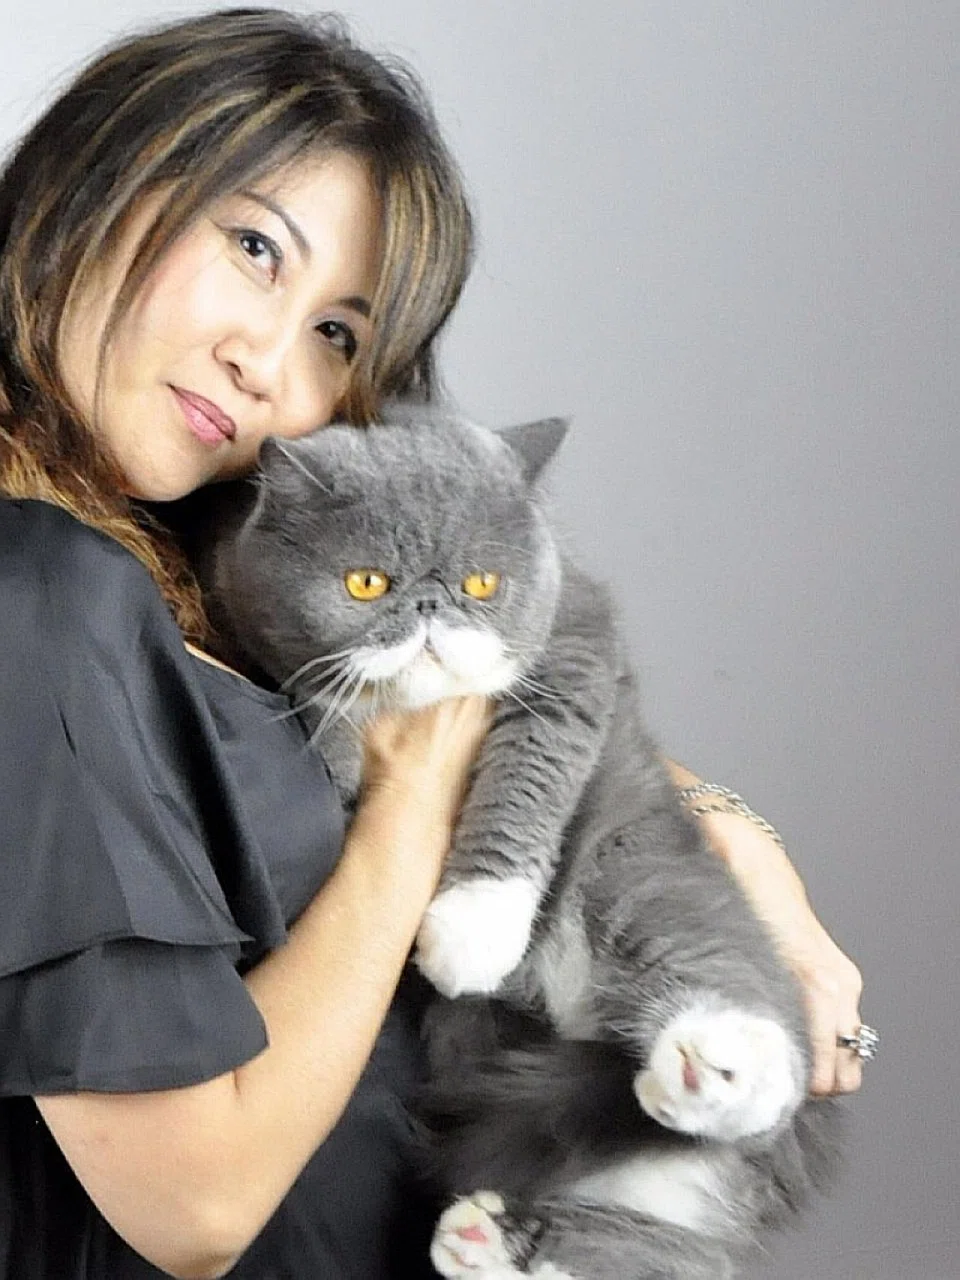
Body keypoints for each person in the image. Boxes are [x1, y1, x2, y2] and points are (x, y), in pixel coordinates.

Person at [0, 9, 867, 1278]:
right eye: (253, 248)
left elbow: (517, 673)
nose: (265, 363)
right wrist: (412, 809)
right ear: (98, 180)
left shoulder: (177, 534)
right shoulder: (38, 588)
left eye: (337, 333)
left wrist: (738, 838)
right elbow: (194, 1204)